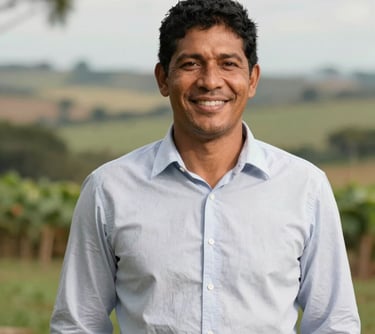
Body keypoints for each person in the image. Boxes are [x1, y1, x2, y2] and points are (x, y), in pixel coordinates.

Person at [50, 0, 361, 333]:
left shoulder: (305, 188)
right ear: (163, 78)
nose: (210, 81)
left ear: (252, 79)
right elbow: (78, 324)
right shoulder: (108, 190)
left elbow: (333, 323)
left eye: (228, 64)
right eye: (190, 64)